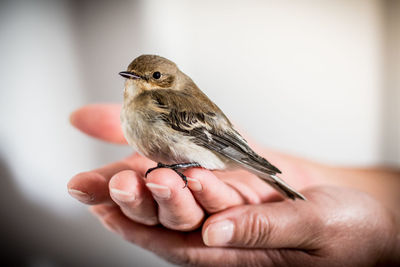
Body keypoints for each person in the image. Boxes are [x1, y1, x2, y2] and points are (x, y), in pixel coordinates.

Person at [68, 104, 400, 266]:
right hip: (215, 155)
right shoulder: (144, 108)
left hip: (219, 152)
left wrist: (386, 246)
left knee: (186, 177)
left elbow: (212, 141)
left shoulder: (167, 104)